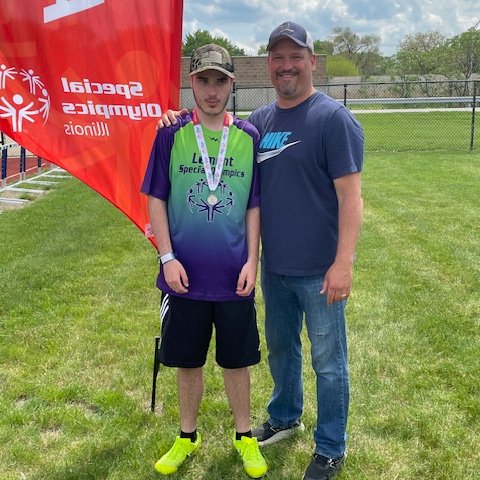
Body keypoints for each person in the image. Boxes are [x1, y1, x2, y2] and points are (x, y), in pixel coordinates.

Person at [158, 22, 364, 480]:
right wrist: (173, 118)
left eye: (296, 56)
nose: (286, 65)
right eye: (278, 57)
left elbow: (352, 197)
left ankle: (330, 447)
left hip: (320, 270)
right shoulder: (261, 124)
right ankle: (286, 417)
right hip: (273, 268)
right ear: (267, 65)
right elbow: (223, 150)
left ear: (312, 61)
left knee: (329, 363)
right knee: (281, 352)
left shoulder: (333, 119)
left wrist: (343, 263)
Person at [141, 43, 267, 479]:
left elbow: (253, 206)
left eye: (221, 81)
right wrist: (167, 256)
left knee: (238, 360)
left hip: (234, 276)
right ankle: (186, 437)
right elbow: (155, 197)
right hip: (184, 275)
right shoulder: (170, 133)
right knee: (187, 360)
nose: (212, 91)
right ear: (191, 82)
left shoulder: (248, 136)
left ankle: (245, 436)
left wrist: (253, 260)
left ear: (233, 85)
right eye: (203, 80)